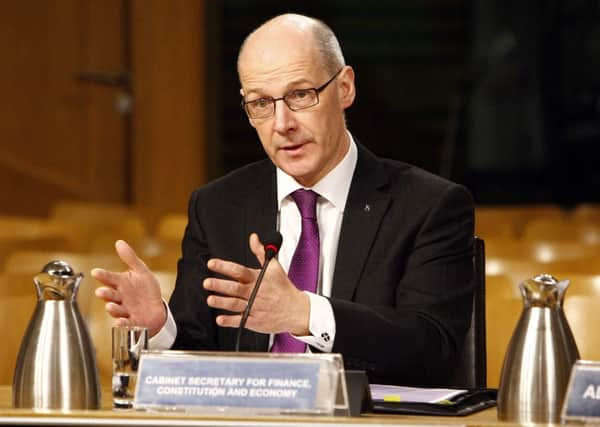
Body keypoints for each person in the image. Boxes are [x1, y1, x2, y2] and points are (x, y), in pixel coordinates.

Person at [92, 13, 475, 386]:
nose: (282, 124)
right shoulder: (217, 207)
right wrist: (160, 326)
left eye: (300, 95)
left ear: (344, 88)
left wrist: (305, 314)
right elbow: (200, 351)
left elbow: (433, 347)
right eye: (261, 103)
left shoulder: (428, 206)